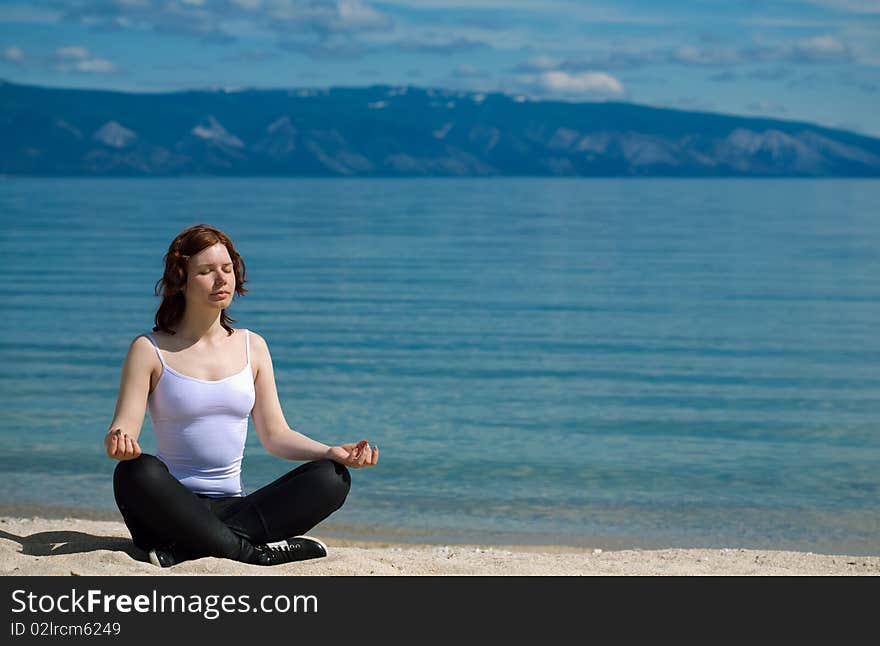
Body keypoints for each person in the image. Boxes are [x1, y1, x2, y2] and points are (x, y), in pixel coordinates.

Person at [105, 223, 378, 568]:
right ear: (181, 280)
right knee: (135, 472)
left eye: (227, 268)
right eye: (205, 271)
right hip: (170, 507)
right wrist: (120, 442)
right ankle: (254, 555)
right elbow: (123, 428)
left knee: (331, 477)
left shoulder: (253, 346)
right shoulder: (149, 349)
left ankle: (196, 549)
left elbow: (276, 435)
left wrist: (330, 451)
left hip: (235, 507)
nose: (221, 279)